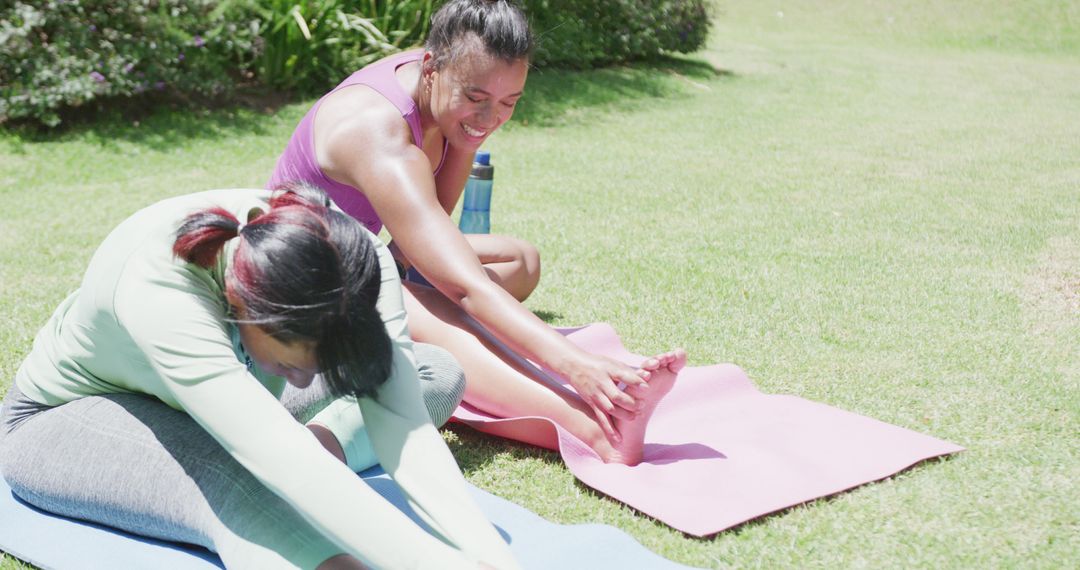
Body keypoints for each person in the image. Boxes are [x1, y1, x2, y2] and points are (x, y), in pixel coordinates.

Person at [0, 186, 520, 569]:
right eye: (294, 365)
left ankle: (318, 441)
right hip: (69, 416)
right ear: (242, 306)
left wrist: (492, 560)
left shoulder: (358, 261)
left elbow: (402, 420)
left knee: (434, 372)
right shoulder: (161, 288)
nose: (305, 382)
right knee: (243, 481)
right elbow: (284, 465)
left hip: (240, 398)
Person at [269, 0, 686, 466]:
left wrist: (465, 135)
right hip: (299, 285)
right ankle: (599, 431)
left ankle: (425, 319)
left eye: (509, 103)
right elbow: (463, 287)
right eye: (476, 99)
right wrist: (575, 363)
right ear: (432, 68)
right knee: (436, 306)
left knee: (518, 260)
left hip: (361, 256)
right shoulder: (376, 132)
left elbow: (428, 224)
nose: (491, 118)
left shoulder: (442, 78)